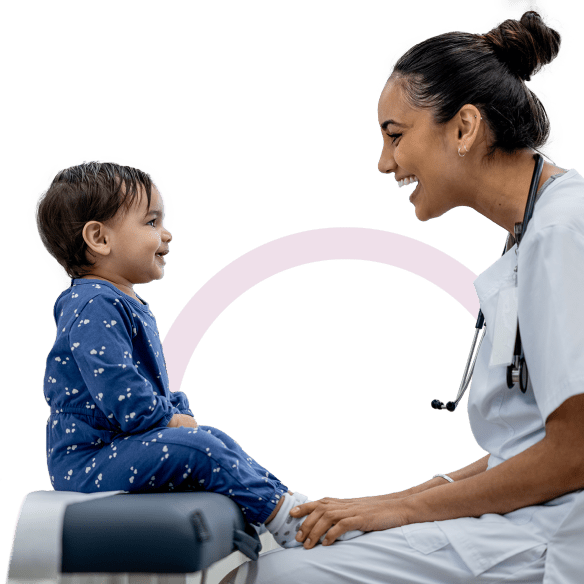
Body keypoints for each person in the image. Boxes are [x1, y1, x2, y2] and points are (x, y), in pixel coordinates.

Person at [227, 10, 584, 584]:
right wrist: (396, 500)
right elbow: (527, 446)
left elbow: (572, 457)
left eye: (395, 135)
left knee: (274, 577)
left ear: (464, 129)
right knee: (291, 556)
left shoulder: (567, 234)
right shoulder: (537, 235)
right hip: (533, 527)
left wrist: (401, 510)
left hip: (566, 547)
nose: (384, 162)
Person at [34, 160, 362, 549]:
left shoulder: (119, 300)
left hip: (117, 448)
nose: (166, 234)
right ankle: (287, 521)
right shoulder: (93, 304)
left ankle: (288, 507)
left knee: (212, 439)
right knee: (202, 448)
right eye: (151, 222)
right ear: (99, 238)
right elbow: (121, 391)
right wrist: (169, 418)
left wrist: (176, 410)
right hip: (90, 461)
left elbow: (148, 385)